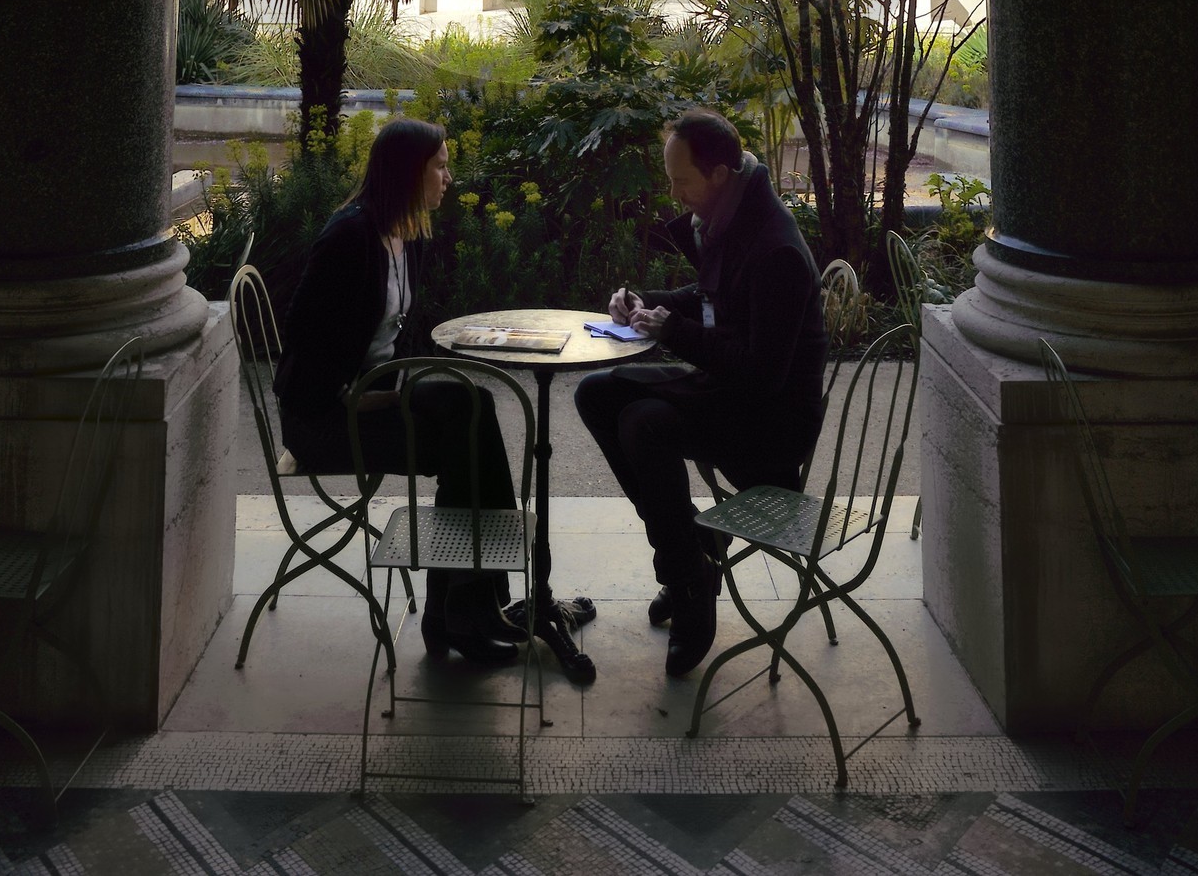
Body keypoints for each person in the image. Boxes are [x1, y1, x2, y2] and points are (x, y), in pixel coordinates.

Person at [574, 109, 823, 675]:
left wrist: (674, 332)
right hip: (727, 392)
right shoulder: (730, 217)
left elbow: (763, 377)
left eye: (681, 181)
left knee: (644, 421)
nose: (674, 193)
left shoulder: (776, 248)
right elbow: (712, 295)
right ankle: (690, 550)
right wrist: (649, 303)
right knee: (596, 393)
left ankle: (688, 583)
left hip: (771, 423)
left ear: (719, 174)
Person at [274, 118, 521, 664]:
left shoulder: (402, 235)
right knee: (465, 424)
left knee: (470, 408)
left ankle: (464, 609)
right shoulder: (349, 237)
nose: (448, 178)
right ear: (410, 173)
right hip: (324, 418)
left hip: (370, 398)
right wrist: (349, 394)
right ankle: (468, 607)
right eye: (439, 165)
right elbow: (301, 332)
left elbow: (391, 337)